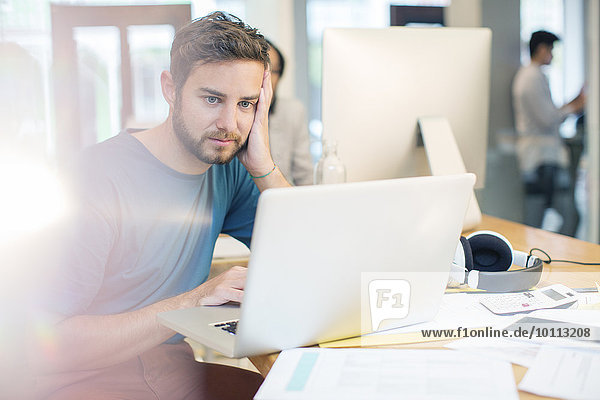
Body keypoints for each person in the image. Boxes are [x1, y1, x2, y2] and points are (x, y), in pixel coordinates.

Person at [28, 11, 290, 399]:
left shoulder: (228, 170)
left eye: (246, 104)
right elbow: (48, 345)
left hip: (167, 368)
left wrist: (264, 166)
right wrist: (194, 300)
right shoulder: (94, 179)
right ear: (171, 88)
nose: (229, 123)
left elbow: (308, 254)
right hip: (78, 381)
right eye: (213, 98)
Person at [512, 30, 585, 236]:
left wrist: (573, 103)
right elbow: (547, 119)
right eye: (551, 50)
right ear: (542, 49)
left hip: (542, 159)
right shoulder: (531, 77)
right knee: (563, 216)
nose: (552, 55)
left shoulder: (532, 76)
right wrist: (575, 107)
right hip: (542, 160)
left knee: (542, 217)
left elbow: (548, 113)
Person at [265, 39, 313, 185]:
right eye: (263, 70)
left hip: (284, 199)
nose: (268, 79)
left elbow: (305, 176)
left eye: (274, 72)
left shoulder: (293, 111)